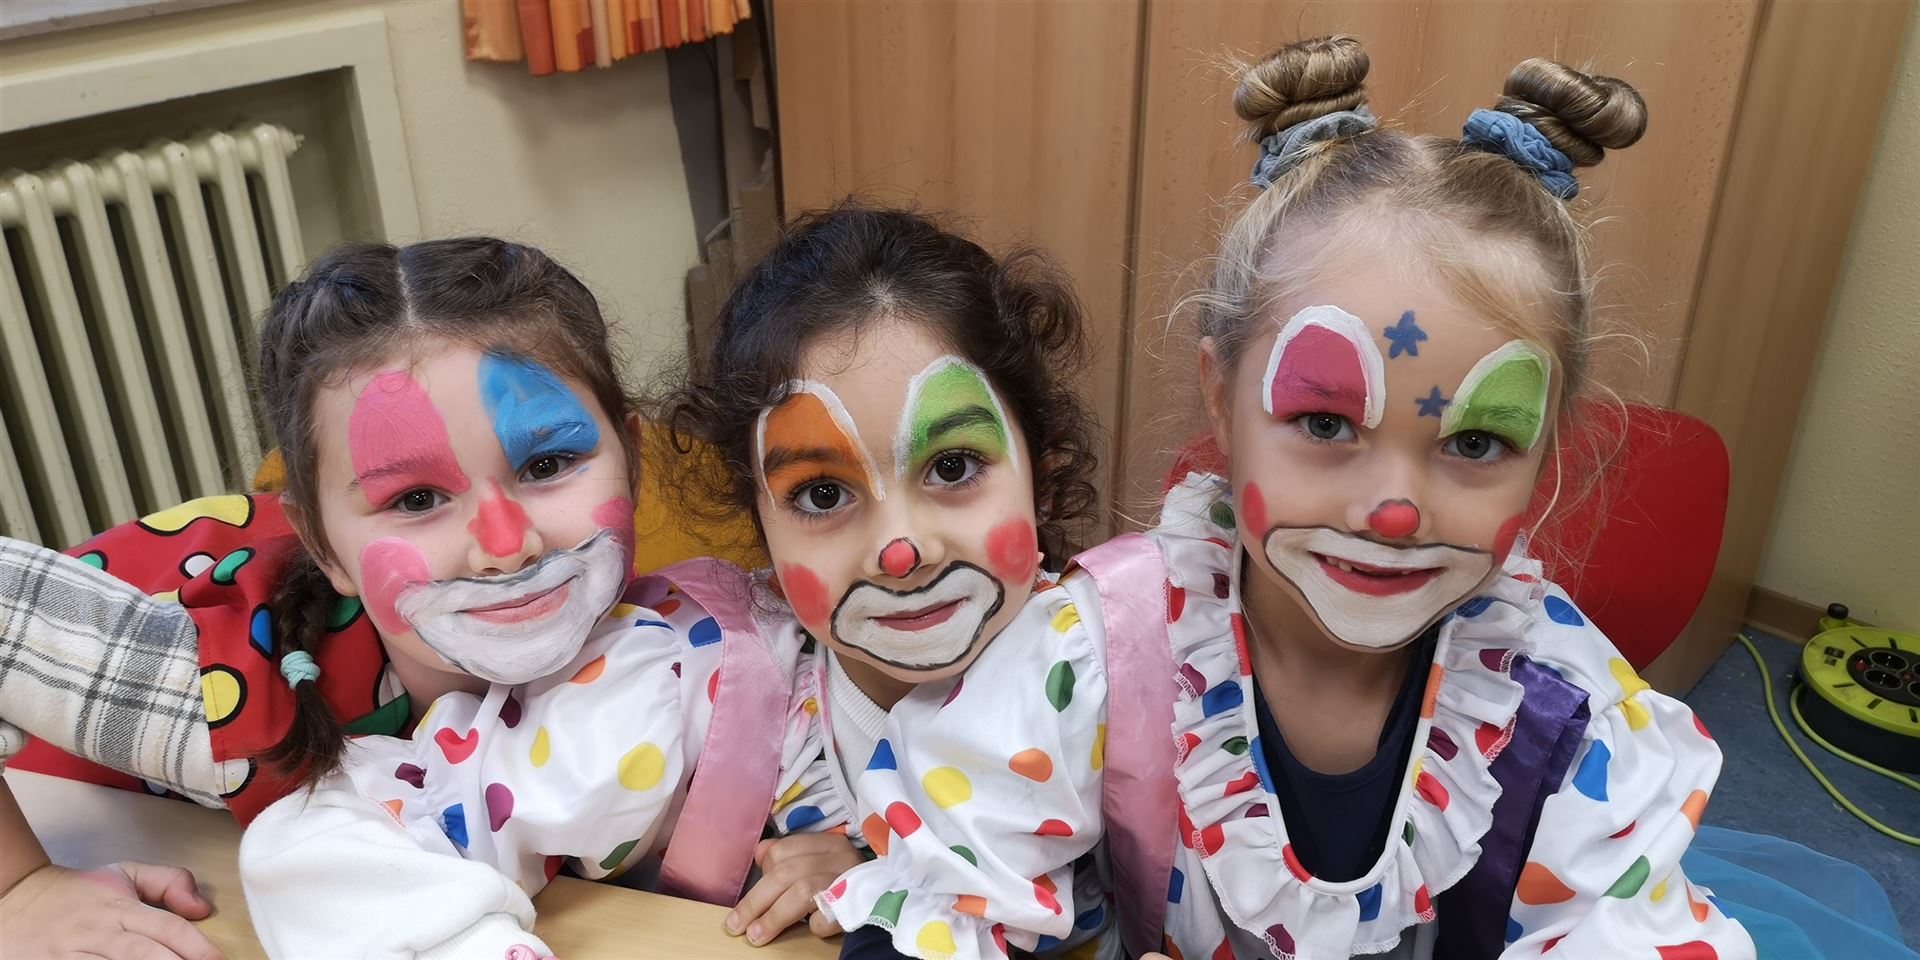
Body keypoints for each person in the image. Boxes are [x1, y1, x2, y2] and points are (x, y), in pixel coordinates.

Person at [1081, 35, 1758, 959]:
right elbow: (983, 868)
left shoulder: (1568, 718)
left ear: (1547, 448)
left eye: (1475, 444)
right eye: (1326, 424)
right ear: (1220, 398)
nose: (1395, 511)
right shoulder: (1096, 651)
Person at [1, 238, 814, 958]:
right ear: (324, 546)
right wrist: (18, 890)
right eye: (417, 500)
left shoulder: (679, 640)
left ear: (631, 462)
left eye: (545, 466)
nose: (506, 544)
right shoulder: (217, 688)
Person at [665, 205, 1117, 960]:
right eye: (822, 495)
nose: (900, 551)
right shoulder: (744, 686)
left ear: (1040, 476)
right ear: (760, 525)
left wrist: (882, 876)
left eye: (952, 467)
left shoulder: (1095, 681)